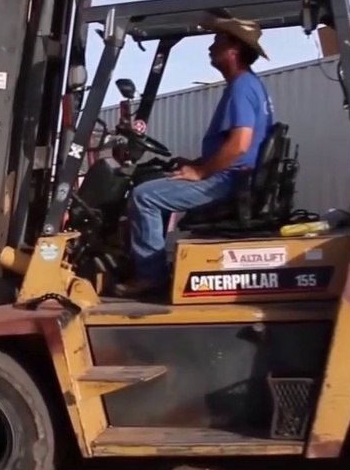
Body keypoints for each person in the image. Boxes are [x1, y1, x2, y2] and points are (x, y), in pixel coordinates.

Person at [116, 18, 274, 298]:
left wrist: (202, 173)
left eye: (218, 42)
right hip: (232, 176)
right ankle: (150, 262)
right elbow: (233, 145)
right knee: (156, 179)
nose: (211, 47)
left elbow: (239, 144)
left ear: (233, 50)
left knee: (144, 196)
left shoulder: (241, 87)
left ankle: (151, 277)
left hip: (226, 180)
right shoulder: (250, 85)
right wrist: (198, 163)